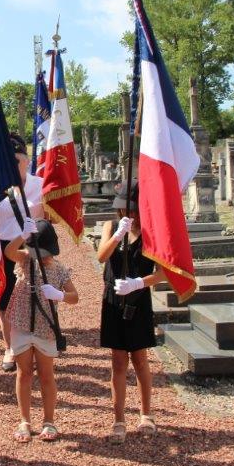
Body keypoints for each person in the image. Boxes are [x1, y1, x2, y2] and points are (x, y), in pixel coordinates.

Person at [96, 181, 161, 443]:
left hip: (138, 298)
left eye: (132, 209)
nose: (128, 213)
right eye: (124, 208)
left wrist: (139, 283)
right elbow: (101, 257)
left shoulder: (151, 232)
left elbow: (163, 273)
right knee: (118, 361)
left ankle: (146, 414)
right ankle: (119, 419)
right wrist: (117, 236)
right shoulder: (111, 226)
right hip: (113, 299)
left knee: (140, 359)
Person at [3, 219, 78, 443]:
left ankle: (49, 420)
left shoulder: (59, 269)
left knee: (46, 374)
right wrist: (22, 235)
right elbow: (8, 252)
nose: (42, 257)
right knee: (24, 373)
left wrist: (59, 295)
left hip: (46, 328)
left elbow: (74, 297)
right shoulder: (25, 259)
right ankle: (24, 420)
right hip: (22, 323)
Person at [0, 134, 44, 372]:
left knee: (35, 296)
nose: (12, 165)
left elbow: (50, 218)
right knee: (7, 298)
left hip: (35, 246)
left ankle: (34, 345)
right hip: (6, 247)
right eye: (7, 161)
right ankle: (10, 348)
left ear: (27, 161)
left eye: (16, 160)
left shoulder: (40, 185)